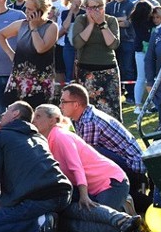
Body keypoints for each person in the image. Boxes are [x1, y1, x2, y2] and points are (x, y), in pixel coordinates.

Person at [0, 101, 72, 232]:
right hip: (63, 193)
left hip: (38, 196)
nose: (2, 114)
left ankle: (40, 225)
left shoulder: (0, 138)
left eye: (7, 110)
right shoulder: (39, 138)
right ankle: (44, 219)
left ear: (15, 114)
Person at [32, 104, 143, 232]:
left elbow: (76, 166)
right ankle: (125, 221)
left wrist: (83, 196)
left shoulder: (60, 136)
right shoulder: (47, 140)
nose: (33, 120)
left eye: (38, 116)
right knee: (66, 222)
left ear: (53, 120)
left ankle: (126, 220)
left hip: (111, 183)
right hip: (91, 188)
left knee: (96, 218)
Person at [59, 83, 150, 213]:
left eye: (63, 102)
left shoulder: (88, 121)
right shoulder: (84, 116)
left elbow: (85, 159)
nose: (60, 106)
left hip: (132, 168)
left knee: (91, 153)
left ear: (76, 105)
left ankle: (138, 201)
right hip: (127, 163)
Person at [0, 0, 59, 108]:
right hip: (18, 79)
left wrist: (34, 28)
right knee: (13, 112)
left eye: (30, 9)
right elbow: (0, 35)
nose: (26, 12)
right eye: (26, 8)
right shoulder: (21, 24)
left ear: (41, 10)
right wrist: (11, 54)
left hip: (40, 81)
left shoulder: (51, 27)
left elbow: (40, 48)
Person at [72, 0, 122, 121]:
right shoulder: (80, 20)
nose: (94, 11)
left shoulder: (111, 20)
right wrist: (91, 24)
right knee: (86, 111)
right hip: (86, 70)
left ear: (103, 7)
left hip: (108, 70)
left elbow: (113, 44)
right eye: (90, 8)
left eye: (98, 7)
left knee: (110, 111)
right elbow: (77, 43)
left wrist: (102, 24)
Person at [107, 0, 136, 104]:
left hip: (127, 39)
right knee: (114, 67)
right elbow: (105, 21)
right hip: (111, 40)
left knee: (128, 67)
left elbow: (128, 22)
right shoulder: (108, 5)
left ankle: (131, 95)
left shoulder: (130, 5)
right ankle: (116, 94)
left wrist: (114, 21)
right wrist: (119, 21)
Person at [129, 0, 155, 114]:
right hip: (143, 50)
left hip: (139, 51)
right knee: (143, 78)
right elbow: (145, 36)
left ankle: (140, 105)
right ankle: (140, 105)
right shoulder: (145, 23)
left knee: (141, 78)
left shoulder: (135, 21)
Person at [59, 0, 85, 83]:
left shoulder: (84, 12)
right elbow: (65, 26)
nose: (78, 0)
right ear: (70, 0)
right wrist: (71, 12)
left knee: (81, 69)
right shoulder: (65, 13)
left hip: (82, 44)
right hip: (69, 44)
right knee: (69, 69)